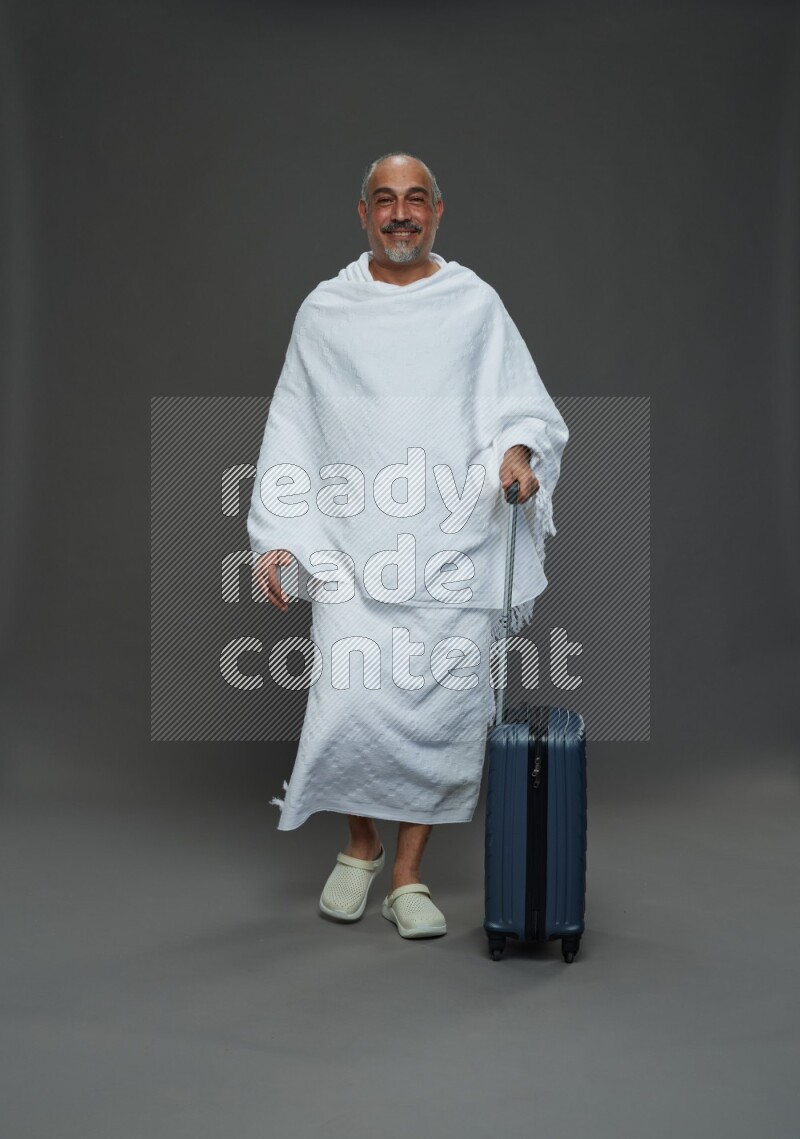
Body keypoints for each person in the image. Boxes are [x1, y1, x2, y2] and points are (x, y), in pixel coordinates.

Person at [247, 151, 568, 939]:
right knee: (351, 709)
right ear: (362, 214)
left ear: (437, 211)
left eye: (415, 200)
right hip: (355, 549)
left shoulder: (474, 304)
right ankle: (358, 847)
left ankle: (407, 874)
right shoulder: (325, 311)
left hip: (453, 544)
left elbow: (520, 405)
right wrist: (278, 538)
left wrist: (519, 453)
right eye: (384, 200)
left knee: (440, 715)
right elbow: (291, 427)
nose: (400, 214)